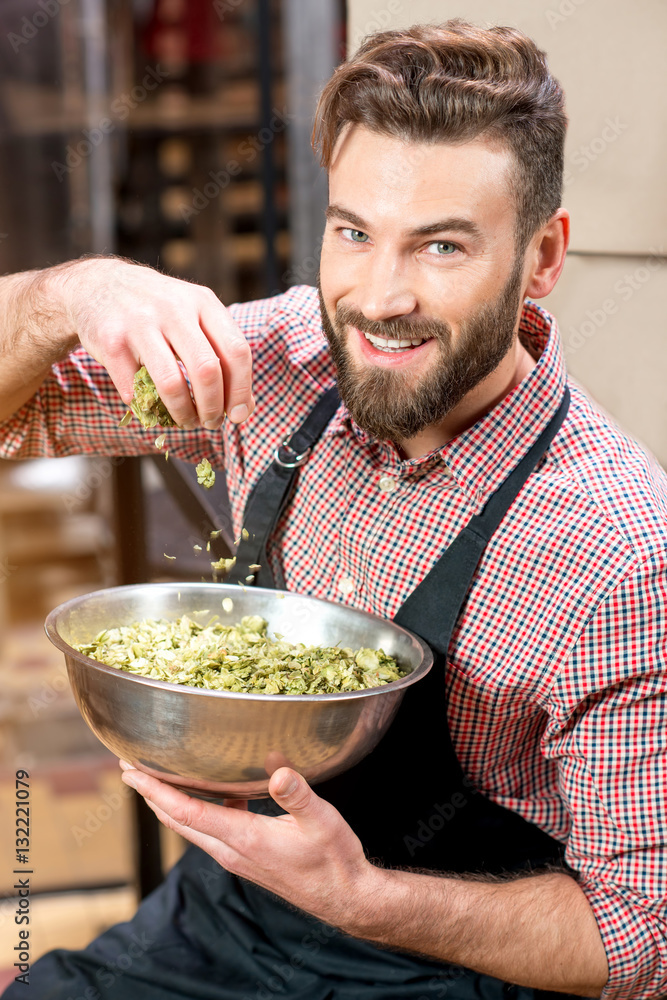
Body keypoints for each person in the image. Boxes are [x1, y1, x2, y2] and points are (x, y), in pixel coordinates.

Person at [1, 19, 666, 1000]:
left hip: (449, 968)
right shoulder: (283, 362)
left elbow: (643, 938)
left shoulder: (620, 554)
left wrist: (360, 896)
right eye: (353, 232)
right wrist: (82, 291)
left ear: (541, 257)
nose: (377, 296)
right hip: (219, 919)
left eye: (440, 246)